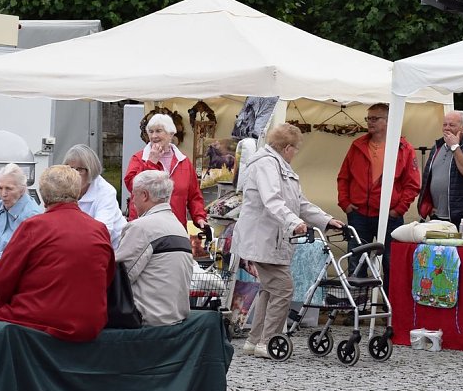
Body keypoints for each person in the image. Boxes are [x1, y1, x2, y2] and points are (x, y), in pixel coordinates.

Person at [232, 123, 344, 359]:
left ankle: (254, 340)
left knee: (270, 289)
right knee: (283, 289)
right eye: (296, 149)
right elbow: (272, 200)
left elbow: (300, 203)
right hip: (264, 238)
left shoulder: (281, 166)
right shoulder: (266, 164)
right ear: (287, 147)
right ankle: (268, 341)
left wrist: (326, 220)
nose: (296, 153)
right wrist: (294, 222)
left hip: (273, 239)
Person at [0, 165, 115, 341]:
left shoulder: (33, 226)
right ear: (77, 193)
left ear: (43, 195)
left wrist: (3, 304)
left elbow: (4, 277)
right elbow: (107, 276)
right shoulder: (99, 229)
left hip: (40, 320)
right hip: (90, 324)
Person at [336, 103, 420, 283]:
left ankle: (390, 307)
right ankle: (358, 307)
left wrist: (398, 210)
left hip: (390, 216)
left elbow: (412, 184)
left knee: (391, 263)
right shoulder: (357, 145)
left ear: (389, 121)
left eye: (375, 118)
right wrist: (345, 204)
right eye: (368, 118)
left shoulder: (404, 148)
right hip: (359, 214)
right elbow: (343, 177)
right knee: (356, 262)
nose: (370, 122)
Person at [115, 170, 193, 326]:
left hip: (148, 316)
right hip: (175, 313)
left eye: (133, 196)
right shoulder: (179, 227)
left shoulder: (141, 227)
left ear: (144, 195)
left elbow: (119, 275)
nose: (133, 201)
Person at [124, 113, 208, 231]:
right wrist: (151, 162)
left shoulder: (183, 161)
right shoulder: (138, 158)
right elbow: (133, 187)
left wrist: (199, 217)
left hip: (175, 227)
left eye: (158, 131)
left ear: (171, 134)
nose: (154, 136)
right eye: (151, 131)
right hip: (144, 227)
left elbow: (194, 196)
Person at [418, 111, 463, 230]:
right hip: (436, 217)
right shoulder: (436, 148)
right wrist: (428, 207)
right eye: (444, 125)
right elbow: (428, 180)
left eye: (451, 125)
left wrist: (455, 147)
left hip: (461, 218)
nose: (447, 128)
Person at [63, 144, 127, 249]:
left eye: (79, 170)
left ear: (91, 170)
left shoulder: (105, 191)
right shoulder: (63, 187)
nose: (73, 174)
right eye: (70, 169)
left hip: (112, 249)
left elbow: (103, 230)